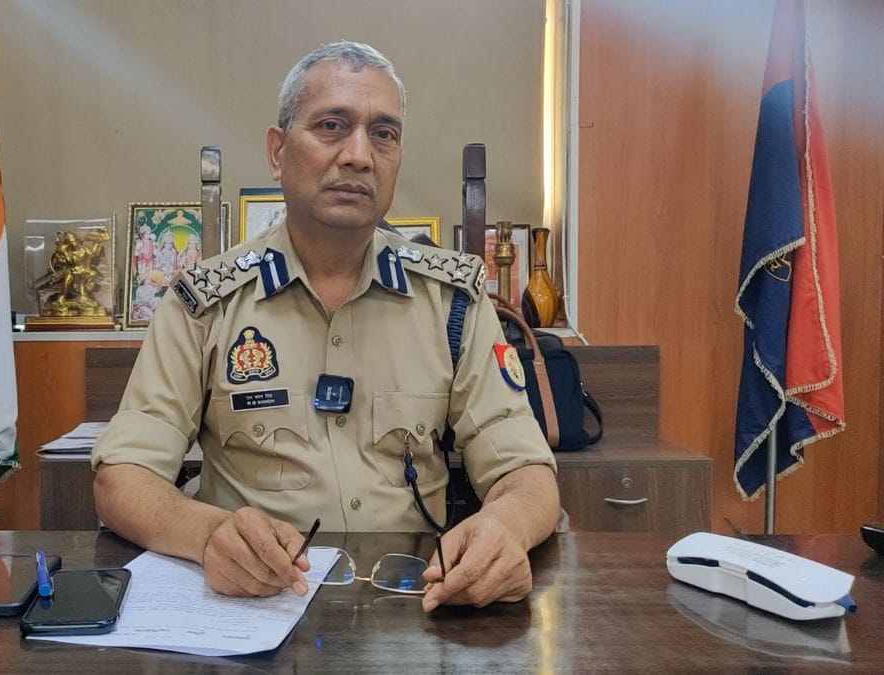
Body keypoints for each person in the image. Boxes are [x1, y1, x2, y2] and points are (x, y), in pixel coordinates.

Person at [93, 41, 559, 612]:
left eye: (383, 134)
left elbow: (527, 474)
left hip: (411, 606)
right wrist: (205, 533)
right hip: (252, 606)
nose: (359, 155)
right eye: (332, 126)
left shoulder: (452, 301)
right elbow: (122, 479)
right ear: (277, 150)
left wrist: (504, 529)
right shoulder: (206, 304)